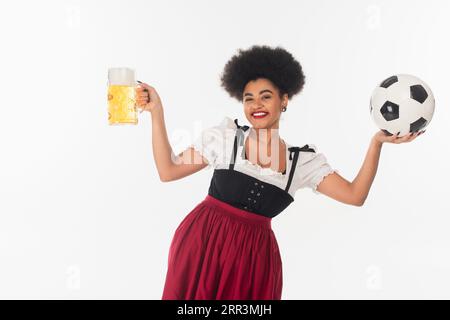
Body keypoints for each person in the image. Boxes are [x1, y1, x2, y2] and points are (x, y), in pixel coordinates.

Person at [135, 45, 425, 300]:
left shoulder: (302, 163)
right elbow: (168, 170)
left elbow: (355, 195)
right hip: (203, 243)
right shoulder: (226, 138)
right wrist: (156, 111)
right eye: (249, 98)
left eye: (265, 97)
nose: (256, 105)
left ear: (284, 100)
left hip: (254, 259)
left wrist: (377, 144)